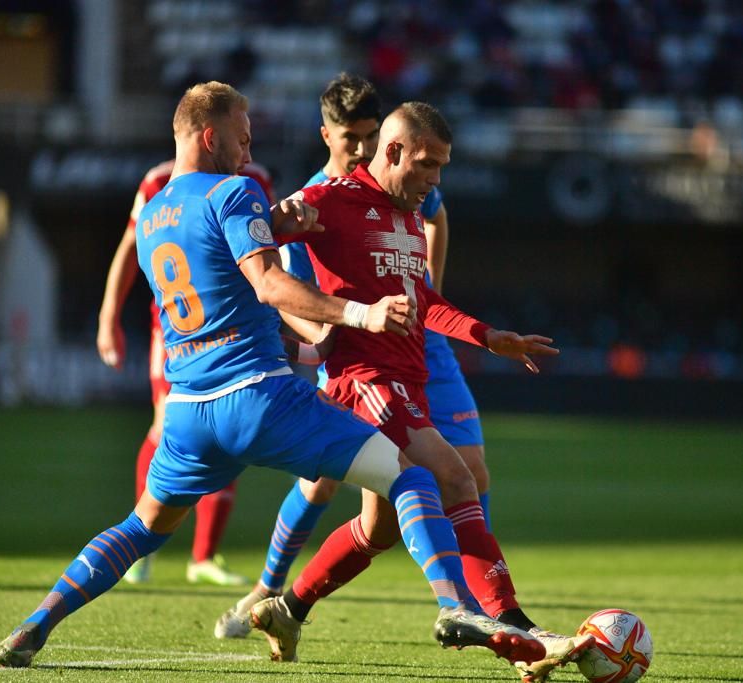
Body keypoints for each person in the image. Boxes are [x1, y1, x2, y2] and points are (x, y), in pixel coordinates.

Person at [0, 81, 546, 671]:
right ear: (212, 136)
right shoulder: (237, 191)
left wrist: (276, 228)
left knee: (141, 525)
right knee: (411, 478)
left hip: (187, 409)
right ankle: (455, 607)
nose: (250, 144)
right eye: (243, 133)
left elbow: (216, 269)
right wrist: (359, 312)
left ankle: (37, 622)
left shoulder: (154, 213)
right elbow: (267, 284)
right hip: (257, 395)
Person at [231, 101, 595, 681]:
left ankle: (288, 608)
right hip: (363, 381)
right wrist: (277, 222)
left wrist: (488, 336)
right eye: (427, 164)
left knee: (376, 530)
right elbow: (247, 248)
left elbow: (424, 300)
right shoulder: (330, 202)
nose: (435, 179)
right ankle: (512, 625)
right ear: (394, 152)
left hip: (409, 381)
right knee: (455, 475)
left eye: (442, 167)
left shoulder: (406, 214)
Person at [218, 72, 493, 638]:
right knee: (330, 484)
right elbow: (275, 281)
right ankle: (271, 586)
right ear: (327, 136)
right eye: (352, 139)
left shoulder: (407, 181)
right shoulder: (317, 201)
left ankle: (477, 603)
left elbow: (434, 217)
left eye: (371, 135)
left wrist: (426, 285)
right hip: (354, 353)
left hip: (423, 349)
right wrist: (317, 333)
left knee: (467, 478)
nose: (363, 149)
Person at [97, 159, 275, 587]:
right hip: (178, 333)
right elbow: (128, 247)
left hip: (233, 332)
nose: (246, 143)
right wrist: (109, 317)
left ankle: (203, 556)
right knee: (165, 427)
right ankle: (140, 544)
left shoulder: (257, 179)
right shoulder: (158, 179)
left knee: (231, 435)